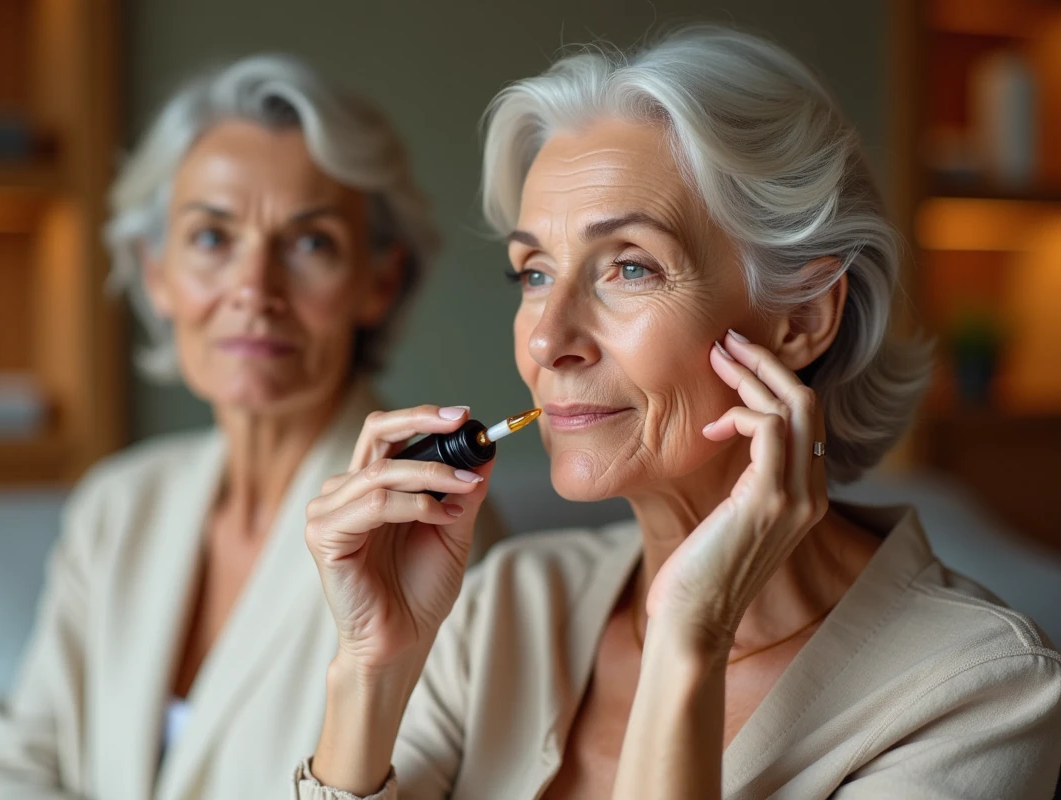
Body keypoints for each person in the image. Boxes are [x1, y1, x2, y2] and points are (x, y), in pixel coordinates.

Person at [295, 27, 1061, 799]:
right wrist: (370, 667)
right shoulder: (511, 605)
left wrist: (690, 637)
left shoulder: (981, 693)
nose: (549, 339)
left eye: (629, 267)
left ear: (801, 319)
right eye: (533, 273)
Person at [0, 55, 503, 800]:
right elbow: (8, 772)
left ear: (379, 280)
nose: (254, 290)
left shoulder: (437, 528)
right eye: (212, 238)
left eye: (310, 244)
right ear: (156, 271)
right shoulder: (118, 504)